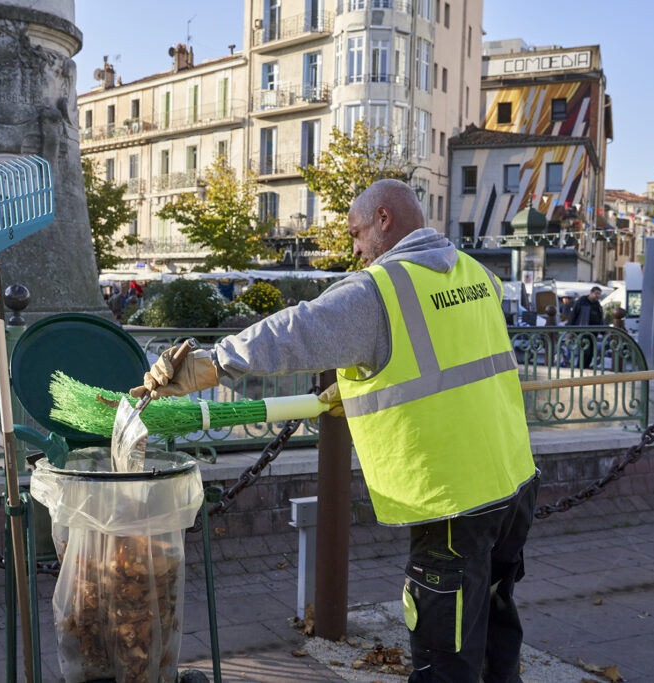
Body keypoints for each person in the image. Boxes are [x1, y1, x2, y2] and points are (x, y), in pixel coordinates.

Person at [132, 179, 539, 682]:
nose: (355, 250)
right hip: (514, 482)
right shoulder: (476, 273)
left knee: (444, 656)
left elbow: (298, 330)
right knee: (495, 633)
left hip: (453, 499)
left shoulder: (381, 289)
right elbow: (457, 359)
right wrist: (370, 384)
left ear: (384, 219)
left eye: (356, 233)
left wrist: (212, 364)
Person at [568, 286, 605, 368]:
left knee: (591, 353)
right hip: (583, 332)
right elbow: (573, 315)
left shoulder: (597, 305)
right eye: (596, 293)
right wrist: (570, 331)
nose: (598, 296)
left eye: (599, 294)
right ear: (591, 293)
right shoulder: (581, 301)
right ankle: (580, 370)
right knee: (584, 352)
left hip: (593, 333)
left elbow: (600, 319)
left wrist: (604, 332)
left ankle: (585, 369)